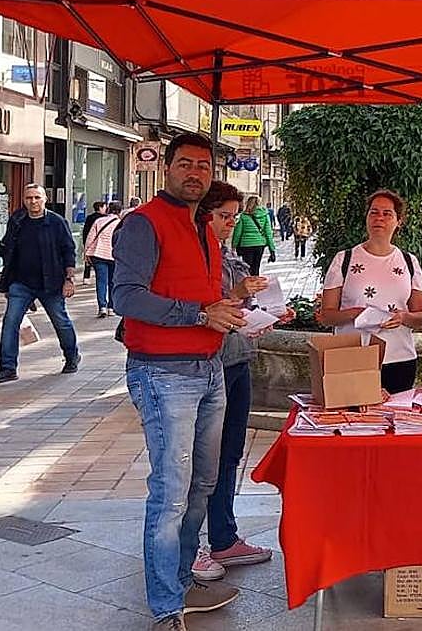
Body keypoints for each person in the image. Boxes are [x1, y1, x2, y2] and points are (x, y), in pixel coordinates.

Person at [112, 133, 243, 630]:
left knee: (202, 484)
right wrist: (199, 314)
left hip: (209, 370)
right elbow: (126, 297)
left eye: (203, 167)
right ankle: (166, 603)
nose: (195, 173)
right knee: (171, 490)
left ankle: (183, 578)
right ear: (166, 168)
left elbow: (203, 295)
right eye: (185, 164)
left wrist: (230, 308)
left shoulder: (204, 227)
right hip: (164, 373)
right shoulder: (144, 223)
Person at [192, 180, 294, 580]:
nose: (231, 223)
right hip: (205, 367)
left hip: (237, 362)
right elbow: (205, 305)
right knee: (201, 460)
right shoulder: (195, 254)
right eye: (224, 216)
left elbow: (237, 306)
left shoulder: (229, 250)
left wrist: (266, 313)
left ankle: (223, 537)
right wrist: (238, 297)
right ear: (205, 215)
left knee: (231, 452)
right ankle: (190, 545)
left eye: (234, 216)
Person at [317, 189, 422, 394]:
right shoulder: (344, 260)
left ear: (398, 221)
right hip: (353, 357)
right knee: (352, 422)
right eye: (374, 212)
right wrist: (355, 314)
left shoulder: (409, 262)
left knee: (394, 422)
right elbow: (326, 315)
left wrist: (403, 317)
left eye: (387, 214)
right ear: (366, 218)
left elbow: (421, 317)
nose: (380, 218)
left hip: (399, 359)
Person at [0, 184, 80, 385]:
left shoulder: (56, 222)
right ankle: (8, 368)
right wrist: (7, 279)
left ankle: (72, 356)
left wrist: (69, 279)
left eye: (37, 197)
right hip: (20, 283)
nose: (33, 201)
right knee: (10, 323)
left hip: (51, 283)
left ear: (45, 199)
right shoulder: (17, 220)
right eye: (29, 198)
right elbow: (7, 247)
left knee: (60, 321)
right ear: (24, 199)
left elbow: (68, 251)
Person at [84, 200, 123, 317]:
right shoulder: (121, 223)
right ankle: (111, 307)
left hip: (98, 254)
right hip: (114, 256)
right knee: (113, 282)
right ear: (120, 211)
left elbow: (90, 238)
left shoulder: (99, 221)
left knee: (101, 281)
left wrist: (86, 253)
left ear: (108, 210)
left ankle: (102, 307)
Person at [232, 195, 277, 274]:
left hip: (246, 245)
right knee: (256, 267)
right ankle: (256, 282)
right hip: (260, 244)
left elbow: (237, 233)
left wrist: (234, 246)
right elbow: (268, 233)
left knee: (247, 268)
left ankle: (249, 283)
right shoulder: (265, 215)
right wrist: (272, 250)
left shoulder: (243, 216)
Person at [81, 200, 106, 280]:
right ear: (100, 208)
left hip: (90, 241)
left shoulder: (89, 217)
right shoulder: (104, 218)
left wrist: (85, 242)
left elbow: (85, 230)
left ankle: (86, 277)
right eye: (104, 207)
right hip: (100, 243)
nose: (105, 209)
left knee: (88, 261)